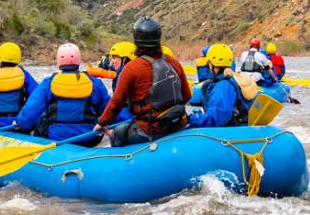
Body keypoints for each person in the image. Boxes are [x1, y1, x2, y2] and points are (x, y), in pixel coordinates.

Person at [94, 16, 191, 146]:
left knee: (117, 133)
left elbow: (116, 102)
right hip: (179, 122)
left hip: (150, 130)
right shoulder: (173, 62)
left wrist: (101, 122)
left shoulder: (132, 68)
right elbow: (187, 96)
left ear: (137, 40)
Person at [15, 43, 110, 146]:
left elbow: (32, 110)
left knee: (42, 121)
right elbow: (110, 109)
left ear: (59, 60)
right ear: (78, 60)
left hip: (56, 138)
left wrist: (20, 123)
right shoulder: (95, 83)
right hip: (89, 139)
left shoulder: (48, 83)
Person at [189, 44, 258, 127]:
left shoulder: (223, 86)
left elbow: (217, 117)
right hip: (242, 127)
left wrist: (192, 119)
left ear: (212, 64)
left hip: (232, 131)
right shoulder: (236, 78)